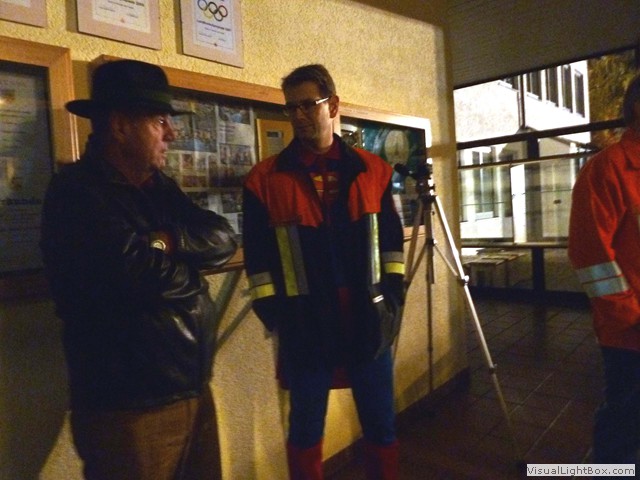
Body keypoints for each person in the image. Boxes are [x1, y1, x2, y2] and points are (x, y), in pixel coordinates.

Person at [40, 60, 238, 480]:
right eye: (160, 121)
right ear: (120, 126)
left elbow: (222, 237)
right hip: (129, 409)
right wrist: (191, 274)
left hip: (191, 390)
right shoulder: (77, 191)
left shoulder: (157, 187)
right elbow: (132, 272)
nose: (172, 133)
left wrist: (167, 242)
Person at [242, 64, 405, 479]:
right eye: (290, 107)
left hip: (367, 319)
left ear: (332, 105)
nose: (297, 115)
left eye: (306, 105)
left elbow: (392, 249)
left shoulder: (375, 172)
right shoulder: (263, 180)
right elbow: (258, 263)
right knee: (305, 429)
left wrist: (391, 302)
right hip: (305, 324)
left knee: (381, 425)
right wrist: (276, 316)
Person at [568, 73, 640, 466]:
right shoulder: (608, 169)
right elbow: (591, 256)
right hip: (630, 336)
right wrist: (632, 318)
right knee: (624, 427)